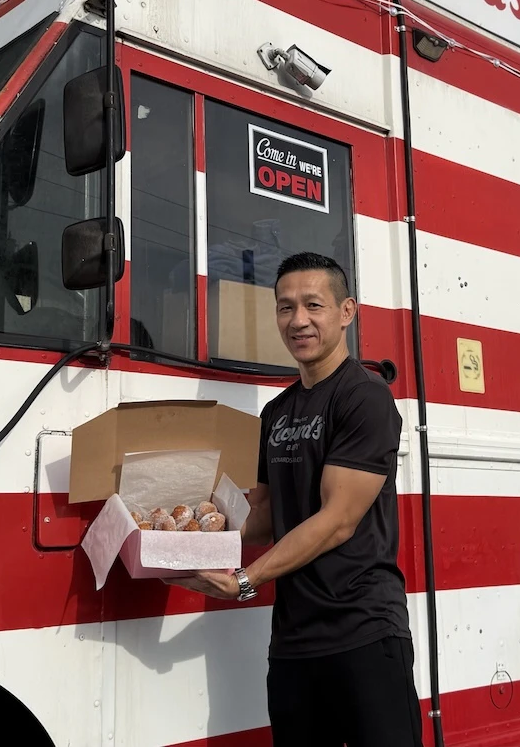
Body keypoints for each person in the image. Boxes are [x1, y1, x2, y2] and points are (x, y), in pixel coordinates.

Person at [173, 252, 421, 747]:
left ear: (347, 311)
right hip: (294, 643)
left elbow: (338, 520)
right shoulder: (277, 411)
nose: (298, 320)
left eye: (313, 305)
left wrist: (246, 579)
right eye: (285, 308)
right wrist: (178, 541)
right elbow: (264, 516)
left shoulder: (364, 397)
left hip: (364, 633)